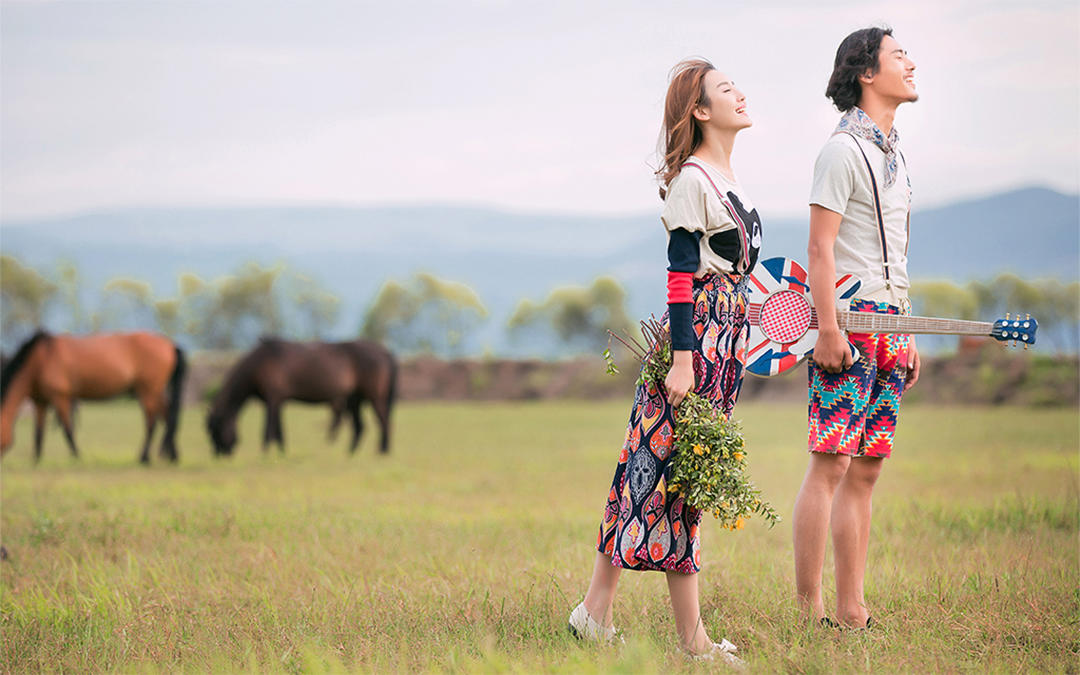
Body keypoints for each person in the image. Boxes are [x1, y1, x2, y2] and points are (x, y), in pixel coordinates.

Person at [567, 58, 762, 664]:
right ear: (700, 111)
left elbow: (737, 277)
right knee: (680, 476)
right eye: (726, 89)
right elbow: (681, 279)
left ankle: (592, 614)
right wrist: (683, 362)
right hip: (695, 342)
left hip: (723, 341)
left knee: (650, 469)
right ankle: (692, 641)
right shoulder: (693, 182)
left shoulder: (729, 181)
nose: (741, 93)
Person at [791, 26, 921, 629]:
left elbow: (897, 250)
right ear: (867, 72)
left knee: (866, 468)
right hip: (846, 323)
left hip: (892, 324)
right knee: (832, 463)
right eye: (899, 55)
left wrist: (909, 328)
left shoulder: (893, 155)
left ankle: (851, 609)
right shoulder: (841, 150)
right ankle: (809, 607)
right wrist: (826, 330)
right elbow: (821, 248)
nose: (911, 63)